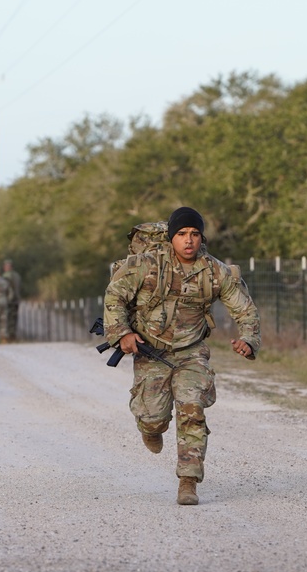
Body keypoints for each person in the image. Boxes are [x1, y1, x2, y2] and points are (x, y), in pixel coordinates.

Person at [103, 206, 261, 505]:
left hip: (192, 352)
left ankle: (188, 482)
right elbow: (115, 296)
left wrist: (249, 340)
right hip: (151, 350)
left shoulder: (216, 271)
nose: (189, 240)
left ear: (202, 237)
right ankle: (151, 428)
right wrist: (122, 333)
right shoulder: (146, 264)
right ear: (171, 238)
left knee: (193, 410)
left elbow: (244, 308)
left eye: (195, 234)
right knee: (152, 417)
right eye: (182, 234)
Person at [2, 259, 21, 342]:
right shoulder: (17, 275)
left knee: (8, 317)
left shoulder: (5, 276)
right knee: (14, 317)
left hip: (9, 300)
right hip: (16, 299)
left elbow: (5, 289)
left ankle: (9, 336)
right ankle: (13, 335)